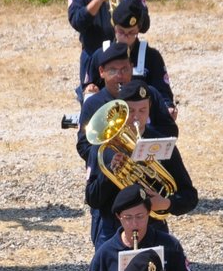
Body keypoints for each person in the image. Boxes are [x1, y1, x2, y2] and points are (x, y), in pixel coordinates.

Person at [83, 79, 197, 247]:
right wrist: (111, 174)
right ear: (119, 110)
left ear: (150, 108)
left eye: (143, 110)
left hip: (153, 228)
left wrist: (166, 203)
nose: (136, 117)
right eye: (130, 111)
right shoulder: (103, 148)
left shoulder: (162, 145)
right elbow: (92, 198)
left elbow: (190, 196)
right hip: (112, 231)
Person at [81, 185, 194, 271]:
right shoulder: (106, 252)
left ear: (149, 213)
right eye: (128, 217)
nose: (135, 224)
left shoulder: (169, 246)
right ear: (118, 217)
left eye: (140, 216)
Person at [67, 0, 144, 91]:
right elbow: (77, 22)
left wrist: (126, 11)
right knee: (92, 100)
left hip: (128, 55)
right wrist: (98, 0)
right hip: (94, 56)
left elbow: (145, 24)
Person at [83, 1, 170, 103]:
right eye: (121, 32)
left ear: (138, 30)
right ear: (114, 28)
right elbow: (87, 88)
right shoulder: (100, 55)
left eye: (131, 32)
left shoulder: (151, 56)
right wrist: (90, 89)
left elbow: (163, 92)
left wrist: (168, 106)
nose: (126, 36)